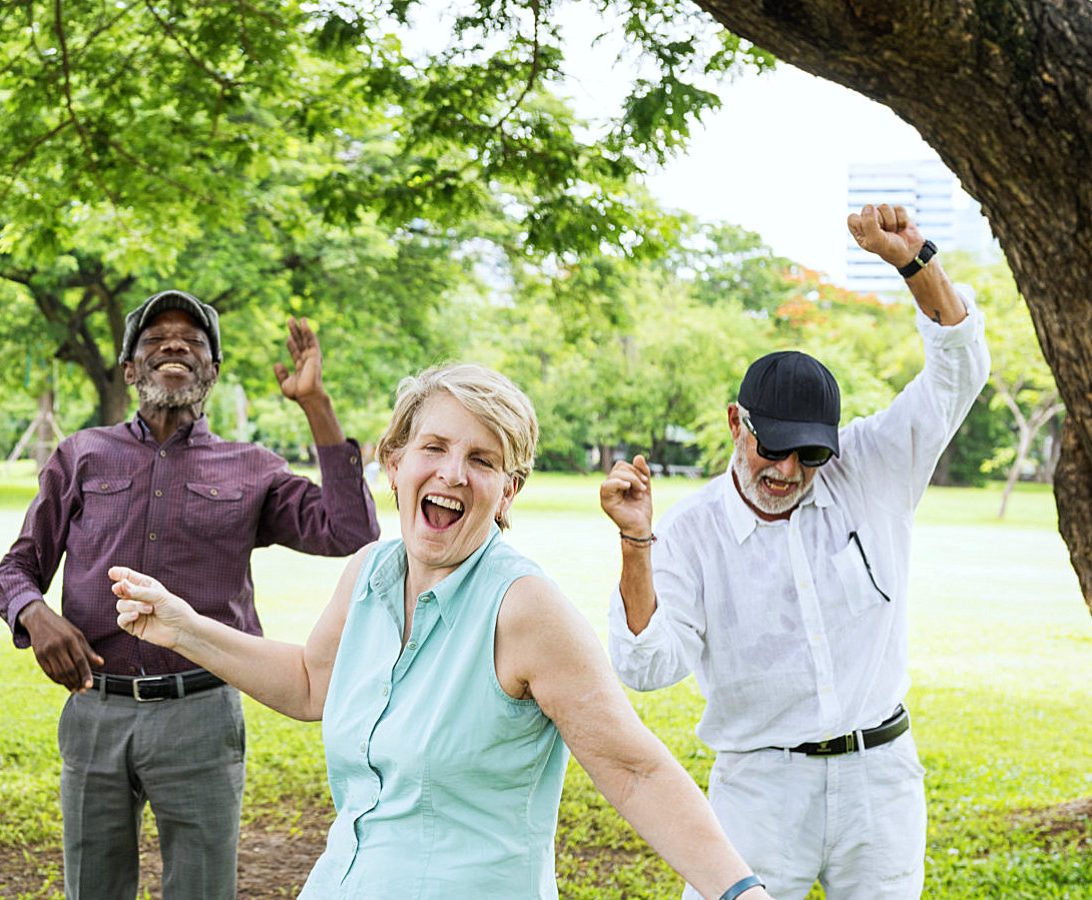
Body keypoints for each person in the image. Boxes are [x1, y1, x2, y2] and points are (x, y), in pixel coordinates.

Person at [109, 363, 777, 900]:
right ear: (393, 462)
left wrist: (738, 891)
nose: (453, 473)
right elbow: (312, 684)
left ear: (508, 490)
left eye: (483, 460)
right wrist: (184, 628)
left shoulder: (524, 608)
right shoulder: (371, 571)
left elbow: (633, 770)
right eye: (434, 447)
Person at [600, 204, 991, 900]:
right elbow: (647, 664)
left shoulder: (870, 466)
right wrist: (636, 542)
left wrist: (913, 261)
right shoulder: (688, 535)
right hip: (758, 787)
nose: (785, 469)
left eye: (808, 453)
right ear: (735, 423)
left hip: (879, 777)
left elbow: (957, 371)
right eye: (769, 446)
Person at [0, 290, 379, 900]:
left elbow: (351, 532)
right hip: (97, 710)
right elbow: (17, 568)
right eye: (155, 339)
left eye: (193, 341)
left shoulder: (252, 467)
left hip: (201, 714)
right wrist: (34, 614)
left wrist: (316, 405)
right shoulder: (82, 455)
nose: (175, 345)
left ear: (213, 372)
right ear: (129, 369)